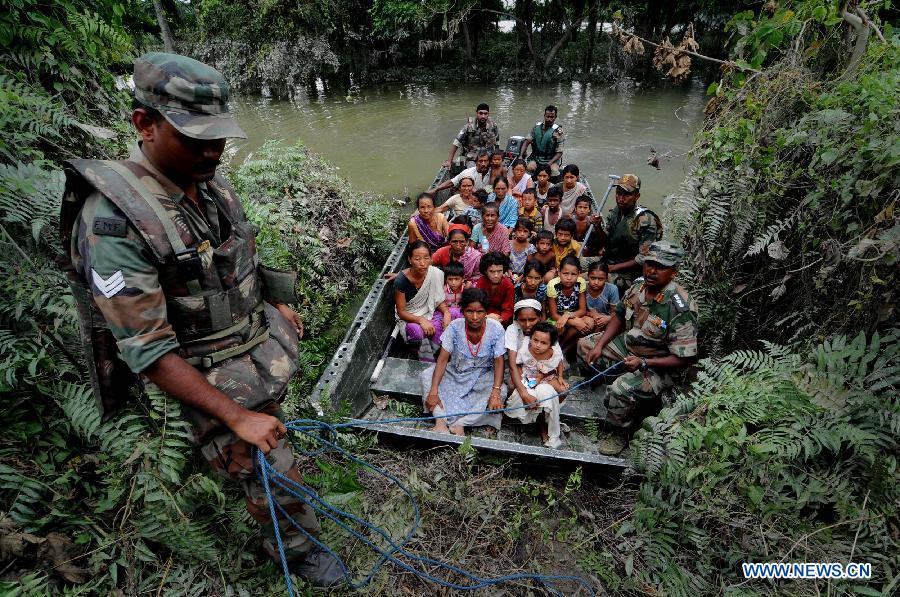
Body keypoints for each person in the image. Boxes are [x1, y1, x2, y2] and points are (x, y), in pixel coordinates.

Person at [59, 52, 341, 587]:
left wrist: (277, 299)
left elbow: (239, 252)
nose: (213, 150)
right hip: (195, 368)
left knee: (266, 439)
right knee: (269, 466)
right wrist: (235, 417)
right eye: (195, 137)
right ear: (144, 122)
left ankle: (247, 459)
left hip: (246, 349)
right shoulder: (114, 223)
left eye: (219, 137)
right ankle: (298, 551)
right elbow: (147, 351)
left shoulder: (206, 181)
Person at [579, 242, 698, 455]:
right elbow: (618, 316)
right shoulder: (638, 287)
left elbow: (684, 358)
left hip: (658, 365)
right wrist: (599, 345)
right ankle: (613, 382)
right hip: (631, 347)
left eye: (660, 267)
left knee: (620, 389)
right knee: (585, 346)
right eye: (649, 264)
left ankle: (618, 432)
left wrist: (644, 363)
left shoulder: (680, 306)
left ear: (673, 272)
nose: (652, 271)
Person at [422, 288, 506, 436]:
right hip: (456, 372)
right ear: (462, 311)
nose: (474, 317)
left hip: (482, 376)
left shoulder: (496, 329)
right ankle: (440, 422)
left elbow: (499, 362)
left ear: (486, 311)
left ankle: (461, 423)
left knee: (502, 391)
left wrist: (496, 391)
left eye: (480, 312)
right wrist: (434, 390)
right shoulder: (455, 327)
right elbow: (442, 360)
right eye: (469, 311)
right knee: (427, 376)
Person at [506, 322, 567, 448]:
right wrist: (524, 379)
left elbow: (559, 361)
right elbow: (517, 365)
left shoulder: (553, 352)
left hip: (547, 376)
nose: (538, 345)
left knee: (563, 390)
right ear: (531, 338)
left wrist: (560, 376)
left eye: (543, 343)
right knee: (525, 394)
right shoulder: (525, 348)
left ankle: (547, 417)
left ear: (551, 344)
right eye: (535, 340)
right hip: (529, 376)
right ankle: (534, 418)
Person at [604, 174, 663, 294]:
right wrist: (596, 227)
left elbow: (643, 258)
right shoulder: (615, 212)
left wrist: (613, 268)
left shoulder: (645, 220)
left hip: (631, 272)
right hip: (611, 259)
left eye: (627, 195)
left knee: (597, 281)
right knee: (578, 263)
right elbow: (606, 240)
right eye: (618, 193)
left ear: (637, 196)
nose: (621, 198)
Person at [394, 241, 451, 362]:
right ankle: (426, 358)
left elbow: (438, 300)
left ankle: (436, 349)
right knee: (415, 331)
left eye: (426, 258)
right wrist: (421, 320)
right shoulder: (401, 281)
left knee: (455, 313)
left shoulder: (435, 273)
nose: (423, 263)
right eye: (417, 259)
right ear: (410, 260)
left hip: (429, 311)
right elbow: (401, 312)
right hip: (410, 317)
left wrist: (446, 313)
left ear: (431, 258)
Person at [546, 255, 590, 354]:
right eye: (565, 273)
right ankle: (556, 348)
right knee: (561, 328)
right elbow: (553, 315)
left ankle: (564, 349)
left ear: (579, 274)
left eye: (573, 274)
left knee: (589, 323)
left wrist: (568, 316)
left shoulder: (580, 282)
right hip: (556, 319)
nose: (569, 278)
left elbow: (582, 310)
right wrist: (573, 322)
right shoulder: (553, 285)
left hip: (572, 315)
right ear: (558, 272)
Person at [443, 103, 500, 168]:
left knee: (497, 172)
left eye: (485, 113)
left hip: (488, 157)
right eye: (480, 113)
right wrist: (449, 161)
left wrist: (497, 157)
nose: (483, 116)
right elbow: (456, 143)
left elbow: (497, 142)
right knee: (471, 173)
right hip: (473, 159)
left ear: (488, 114)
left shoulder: (493, 126)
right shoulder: (468, 127)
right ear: (477, 113)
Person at [521, 105, 565, 178]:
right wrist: (520, 156)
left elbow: (559, 153)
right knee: (529, 168)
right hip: (536, 158)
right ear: (544, 116)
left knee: (554, 172)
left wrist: (548, 164)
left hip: (551, 159)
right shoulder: (536, 127)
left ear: (555, 117)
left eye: (552, 117)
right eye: (547, 117)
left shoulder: (558, 131)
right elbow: (526, 142)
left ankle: (552, 186)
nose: (549, 119)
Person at [475, 251, 515, 326]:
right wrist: (486, 317)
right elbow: (477, 304)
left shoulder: (508, 285)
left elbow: (508, 309)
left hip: (500, 320)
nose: (496, 275)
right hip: (483, 316)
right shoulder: (481, 282)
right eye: (492, 271)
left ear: (504, 270)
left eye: (499, 271)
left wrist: (500, 319)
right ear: (485, 271)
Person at [584, 261, 619, 334]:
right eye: (593, 278)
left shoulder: (612, 289)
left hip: (604, 319)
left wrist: (608, 318)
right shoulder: (583, 287)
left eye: (600, 279)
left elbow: (615, 312)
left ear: (606, 278)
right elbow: (579, 309)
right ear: (588, 276)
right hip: (587, 317)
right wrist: (590, 314)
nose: (596, 282)